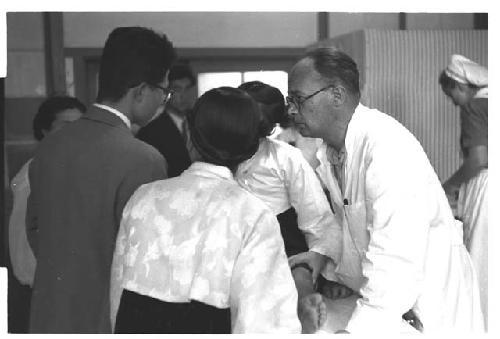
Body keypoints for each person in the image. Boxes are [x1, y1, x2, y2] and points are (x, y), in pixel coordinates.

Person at [287, 47, 484, 334]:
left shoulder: (386, 150)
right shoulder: (330, 151)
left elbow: (396, 261)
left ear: (337, 95)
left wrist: (353, 332)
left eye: (299, 99)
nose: (291, 110)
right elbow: (351, 227)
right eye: (289, 100)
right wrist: (322, 254)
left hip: (427, 301)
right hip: (400, 300)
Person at [110, 87, 302, 333]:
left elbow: (118, 298)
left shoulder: (143, 198)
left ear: (188, 135)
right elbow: (266, 326)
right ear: (251, 148)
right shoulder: (253, 215)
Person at [26, 26, 176, 333]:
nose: (164, 101)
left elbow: (35, 229)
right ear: (142, 92)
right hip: (108, 320)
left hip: (48, 315)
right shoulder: (144, 159)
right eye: (164, 92)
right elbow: (147, 263)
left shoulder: (50, 146)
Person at [236, 81, 349, 331]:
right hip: (236, 236)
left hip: (281, 236)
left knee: (299, 270)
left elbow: (318, 218)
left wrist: (329, 272)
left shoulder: (285, 157)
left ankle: (304, 301)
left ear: (269, 127)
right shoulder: (222, 154)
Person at [7, 95, 85, 332]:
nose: (75, 134)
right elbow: (23, 254)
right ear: (44, 131)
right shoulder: (32, 174)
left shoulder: (74, 169)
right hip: (41, 296)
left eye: (81, 127)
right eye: (65, 126)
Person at [439, 54, 488, 329]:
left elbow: (478, 160)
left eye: (451, 95)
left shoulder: (474, 106)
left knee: (482, 263)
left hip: (488, 187)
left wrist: (448, 187)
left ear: (460, 86)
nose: (454, 103)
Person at [137, 62, 197, 177]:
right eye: (177, 89)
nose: (183, 95)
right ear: (166, 93)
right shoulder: (150, 132)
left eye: (188, 88)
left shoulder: (201, 123)